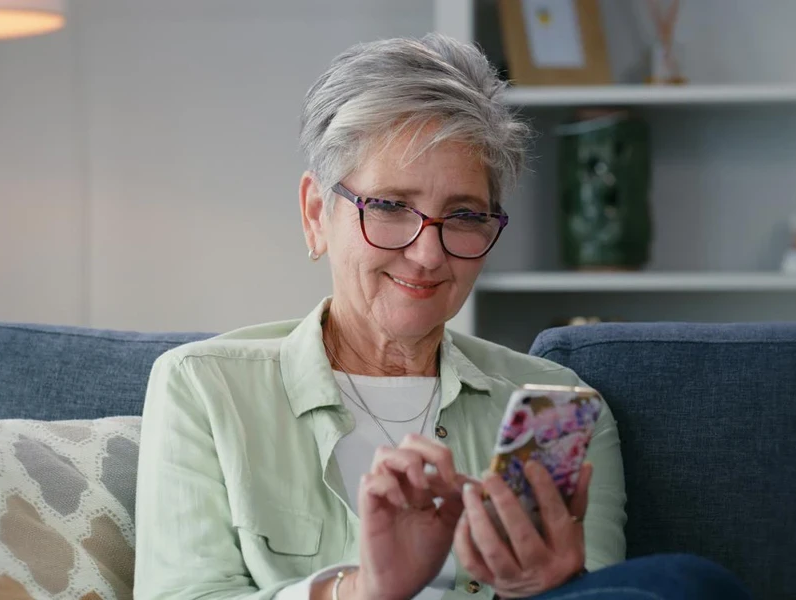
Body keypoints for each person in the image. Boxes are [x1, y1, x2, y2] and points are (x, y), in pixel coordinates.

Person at [133, 34, 752, 600]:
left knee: (691, 582)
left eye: (463, 216)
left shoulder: (559, 406)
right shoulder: (205, 386)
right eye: (391, 206)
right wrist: (363, 589)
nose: (428, 254)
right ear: (316, 213)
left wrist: (546, 583)